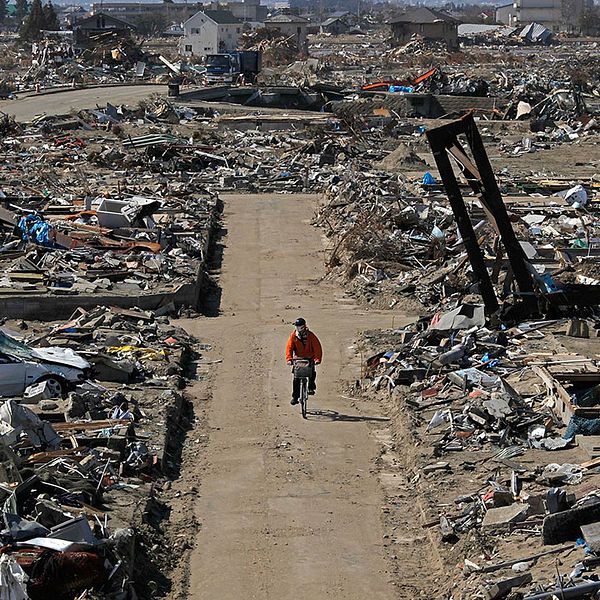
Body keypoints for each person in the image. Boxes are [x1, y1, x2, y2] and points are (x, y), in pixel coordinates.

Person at [286, 317, 322, 405]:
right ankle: (295, 397)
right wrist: (289, 359)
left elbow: (317, 348)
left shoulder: (311, 336)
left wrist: (317, 359)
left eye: (300, 326)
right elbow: (289, 348)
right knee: (296, 378)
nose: (299, 329)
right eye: (297, 327)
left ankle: (311, 388)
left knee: (312, 373)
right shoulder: (293, 336)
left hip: (309, 358)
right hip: (298, 359)